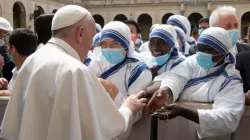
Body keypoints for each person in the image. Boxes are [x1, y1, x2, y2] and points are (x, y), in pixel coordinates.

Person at [1, 5, 147, 140]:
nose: (91, 46)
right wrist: (128, 108)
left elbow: (11, 129)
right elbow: (109, 132)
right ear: (81, 33)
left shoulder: (33, 59)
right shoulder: (75, 70)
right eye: (92, 38)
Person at [145, 27, 245, 138]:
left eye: (207, 48)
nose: (201, 52)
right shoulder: (194, 61)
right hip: (176, 131)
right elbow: (176, 76)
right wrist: (166, 90)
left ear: (222, 51)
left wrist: (184, 111)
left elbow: (228, 118)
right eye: (199, 47)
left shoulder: (231, 80)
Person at [88, 21, 152, 108]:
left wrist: (113, 90)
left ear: (125, 44)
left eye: (114, 44)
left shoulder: (139, 70)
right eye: (104, 44)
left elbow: (134, 108)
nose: (108, 48)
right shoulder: (98, 61)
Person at [0, 17, 15, 81]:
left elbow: (8, 63)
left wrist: (7, 53)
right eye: (4, 33)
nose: (3, 38)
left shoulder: (1, 47)